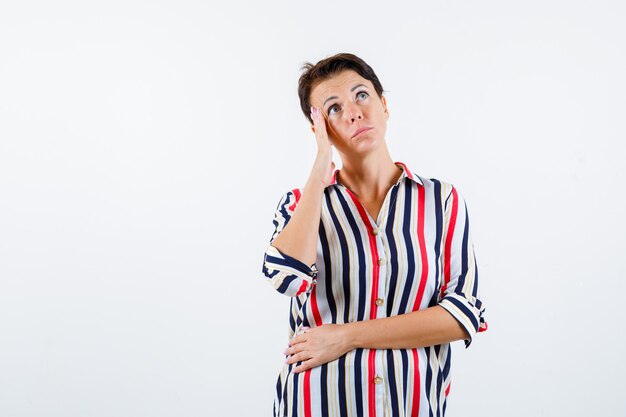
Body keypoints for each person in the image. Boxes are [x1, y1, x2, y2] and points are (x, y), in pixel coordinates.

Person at [260, 52, 487, 417]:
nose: (353, 112)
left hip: (411, 404)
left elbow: (461, 317)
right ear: (320, 128)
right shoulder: (301, 203)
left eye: (361, 95)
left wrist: (346, 335)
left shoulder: (440, 200)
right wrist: (320, 168)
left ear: (383, 105)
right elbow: (286, 278)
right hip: (316, 403)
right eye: (333, 108)